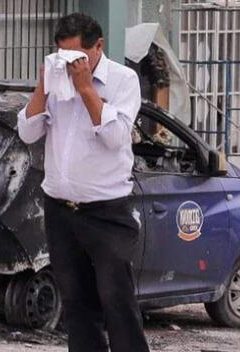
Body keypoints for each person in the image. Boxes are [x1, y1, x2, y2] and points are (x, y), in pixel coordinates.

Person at [16, 13, 150, 352]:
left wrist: (86, 88)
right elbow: (27, 132)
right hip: (61, 210)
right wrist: (43, 88)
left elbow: (116, 137)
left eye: (77, 56)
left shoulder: (124, 80)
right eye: (63, 56)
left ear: (98, 47)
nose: (71, 65)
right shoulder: (57, 82)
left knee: (116, 299)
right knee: (76, 302)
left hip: (108, 211)